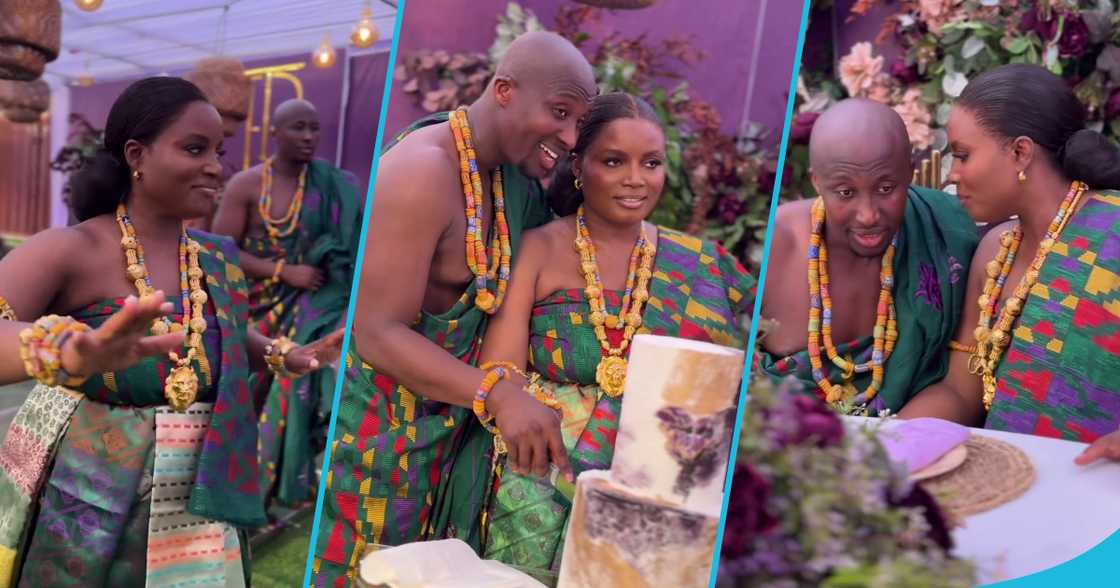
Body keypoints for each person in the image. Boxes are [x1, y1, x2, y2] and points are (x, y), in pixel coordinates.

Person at [0, 77, 342, 587]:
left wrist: (282, 354)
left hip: (198, 475)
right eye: (194, 148)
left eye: (218, 151)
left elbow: (220, 331)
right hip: (87, 478)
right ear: (137, 154)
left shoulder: (211, 255)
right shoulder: (71, 248)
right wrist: (68, 352)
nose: (215, 166)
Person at [312, 31, 597, 586]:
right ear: (505, 89)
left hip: (448, 427)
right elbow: (375, 332)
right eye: (559, 113)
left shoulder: (502, 175)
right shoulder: (422, 170)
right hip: (380, 438)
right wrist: (497, 394)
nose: (567, 137)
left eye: (578, 125)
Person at [475, 92, 755, 571]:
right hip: (542, 477)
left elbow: (734, 375)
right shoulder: (537, 250)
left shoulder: (701, 264)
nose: (635, 180)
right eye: (613, 161)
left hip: (655, 480)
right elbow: (500, 370)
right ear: (579, 167)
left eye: (650, 163)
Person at [898, 64, 1120, 465]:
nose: (951, 176)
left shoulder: (1114, 230)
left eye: (963, 156)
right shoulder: (993, 253)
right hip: (1016, 485)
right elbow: (961, 393)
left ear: (1020, 152)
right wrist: (880, 447)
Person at [757, 99, 978, 415]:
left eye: (886, 188)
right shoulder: (777, 245)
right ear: (817, 182)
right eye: (845, 192)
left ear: (909, 174)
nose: (869, 215)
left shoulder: (946, 231)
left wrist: (886, 455)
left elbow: (960, 383)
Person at [212, 98, 362, 509]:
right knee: (245, 397)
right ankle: (232, 481)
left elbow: (350, 245)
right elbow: (221, 251)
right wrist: (283, 272)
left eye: (315, 128)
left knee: (299, 390)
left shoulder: (331, 185)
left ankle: (277, 485)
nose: (309, 137)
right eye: (298, 127)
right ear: (274, 133)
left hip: (311, 310)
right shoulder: (246, 185)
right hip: (256, 309)